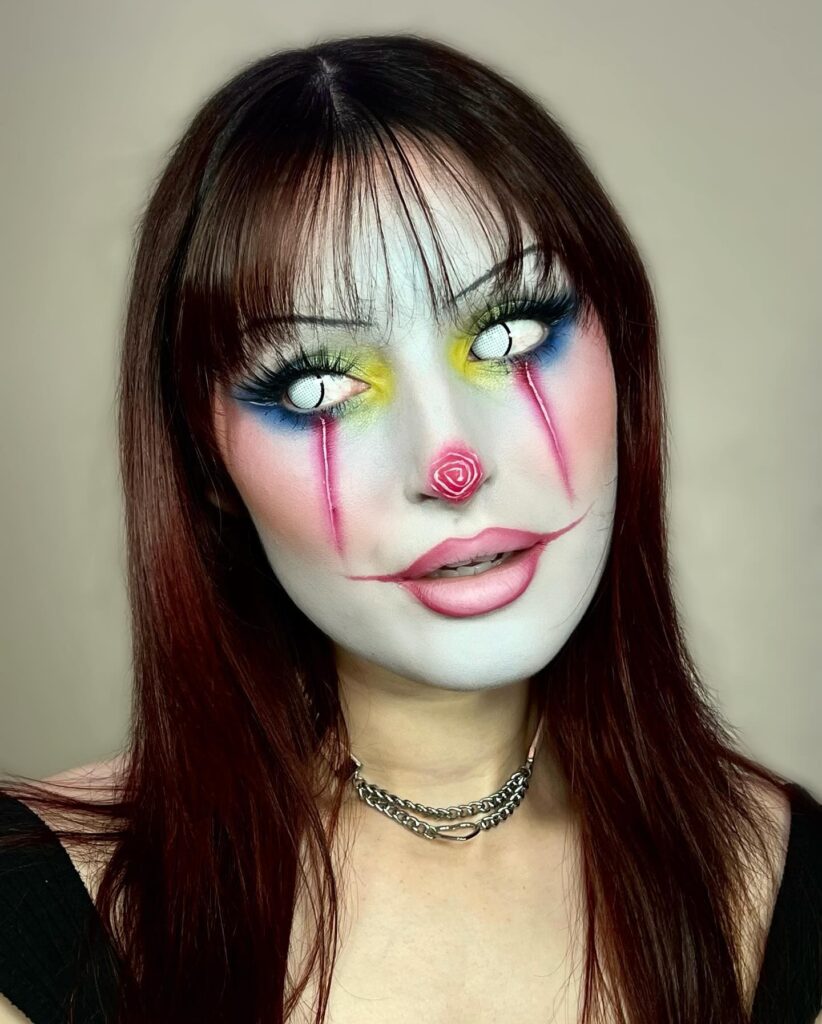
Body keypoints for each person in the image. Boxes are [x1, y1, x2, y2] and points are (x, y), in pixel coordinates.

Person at [1, 31, 820, 1024]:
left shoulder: (776, 878)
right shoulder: (47, 899)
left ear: (627, 351)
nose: (449, 460)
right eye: (319, 385)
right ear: (206, 464)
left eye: (509, 332)